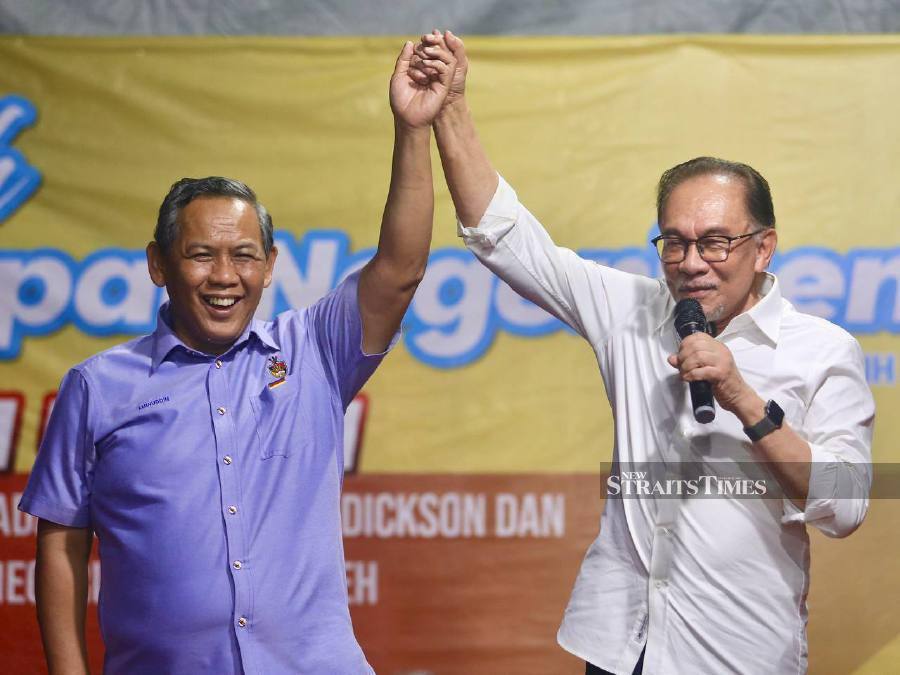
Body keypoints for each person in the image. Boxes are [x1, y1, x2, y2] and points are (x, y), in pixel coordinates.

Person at [411, 31, 874, 675]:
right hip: (618, 647)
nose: (691, 264)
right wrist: (451, 107)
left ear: (764, 248)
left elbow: (846, 506)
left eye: (716, 243)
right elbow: (504, 235)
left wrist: (744, 399)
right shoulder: (629, 309)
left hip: (737, 655)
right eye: (674, 243)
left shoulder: (822, 350)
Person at [19, 40, 457, 675]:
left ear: (270, 266)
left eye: (245, 255)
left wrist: (412, 131)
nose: (224, 276)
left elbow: (401, 269)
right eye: (201, 254)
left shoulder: (315, 352)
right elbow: (61, 543)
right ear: (158, 264)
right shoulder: (96, 387)